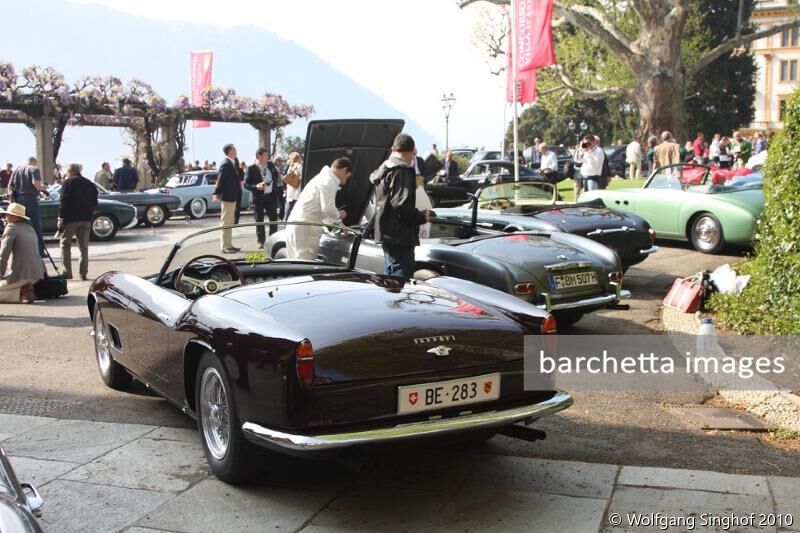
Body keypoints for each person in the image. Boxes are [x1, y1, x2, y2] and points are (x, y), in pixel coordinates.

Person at [370, 133, 432, 279]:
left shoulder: (385, 167)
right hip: (400, 235)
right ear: (411, 150)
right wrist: (421, 217)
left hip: (387, 233)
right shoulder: (401, 169)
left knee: (390, 281)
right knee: (400, 284)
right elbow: (400, 204)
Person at [286, 157, 351, 260]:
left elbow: (322, 212)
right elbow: (327, 208)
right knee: (305, 265)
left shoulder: (321, 178)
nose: (345, 181)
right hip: (305, 229)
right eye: (347, 177)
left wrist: (338, 223)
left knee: (294, 265)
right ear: (344, 170)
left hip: (297, 225)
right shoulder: (328, 181)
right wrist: (340, 215)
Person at [58, 163, 98, 281]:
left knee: (65, 245)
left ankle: (67, 272)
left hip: (71, 219)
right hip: (86, 218)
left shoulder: (68, 182)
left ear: (70, 171)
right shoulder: (89, 183)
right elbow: (95, 201)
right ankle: (83, 272)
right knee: (83, 247)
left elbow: (63, 200)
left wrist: (61, 217)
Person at [0, 203, 44, 303]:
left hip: (20, 275)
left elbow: (3, 254)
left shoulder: (11, 228)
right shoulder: (30, 229)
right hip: (36, 274)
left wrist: (0, 274)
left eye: (7, 215)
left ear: (14, 216)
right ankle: (24, 291)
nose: (5, 218)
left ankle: (21, 291)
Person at [245, 147, 281, 247]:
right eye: (265, 155)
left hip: (271, 197)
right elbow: (246, 184)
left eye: (267, 155)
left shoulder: (270, 165)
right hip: (258, 198)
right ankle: (261, 241)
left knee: (273, 219)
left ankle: (273, 240)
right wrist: (256, 186)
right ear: (259, 156)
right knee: (259, 220)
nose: (267, 157)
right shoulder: (251, 168)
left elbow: (276, 176)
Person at [9, 156, 45, 255]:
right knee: (36, 225)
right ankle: (40, 250)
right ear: (35, 162)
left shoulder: (17, 170)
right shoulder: (34, 169)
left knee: (21, 224)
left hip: (18, 200)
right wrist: (43, 187)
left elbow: (10, 186)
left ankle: (22, 249)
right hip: (30, 199)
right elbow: (36, 184)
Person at [212, 144, 241, 254]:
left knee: (229, 221)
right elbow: (220, 179)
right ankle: (224, 246)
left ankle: (229, 244)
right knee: (225, 222)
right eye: (234, 149)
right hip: (227, 197)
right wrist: (216, 192)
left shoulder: (232, 163)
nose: (236, 150)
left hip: (232, 196)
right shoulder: (225, 164)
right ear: (230, 151)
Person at [283, 152, 303, 220]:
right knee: (296, 210)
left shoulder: (291, 166)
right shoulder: (299, 166)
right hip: (297, 191)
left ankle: (286, 220)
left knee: (288, 208)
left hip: (290, 190)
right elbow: (303, 176)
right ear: (298, 158)